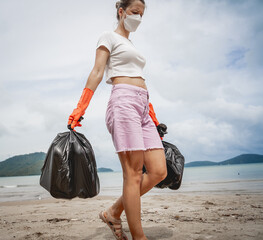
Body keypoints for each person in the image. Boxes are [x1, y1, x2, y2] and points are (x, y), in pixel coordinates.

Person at [68, 0, 168, 239]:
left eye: (142, 15)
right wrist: (80, 107)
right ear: (121, 12)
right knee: (133, 174)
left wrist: (151, 115)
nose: (138, 19)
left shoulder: (130, 44)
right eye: (135, 12)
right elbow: (97, 71)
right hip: (123, 103)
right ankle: (139, 237)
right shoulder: (108, 37)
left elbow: (138, 76)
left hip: (142, 106)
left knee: (158, 171)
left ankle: (113, 211)